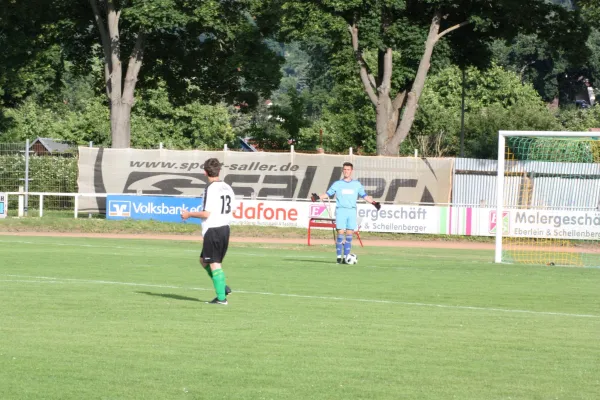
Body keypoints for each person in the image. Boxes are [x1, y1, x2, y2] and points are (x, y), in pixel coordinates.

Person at [181, 158, 235, 305]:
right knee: (204, 260)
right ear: (219, 171)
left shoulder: (211, 189)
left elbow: (206, 213)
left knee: (214, 263)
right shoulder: (227, 187)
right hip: (225, 228)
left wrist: (189, 214)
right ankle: (222, 287)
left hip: (214, 229)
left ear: (205, 172)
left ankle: (221, 298)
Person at [311, 162, 380, 264]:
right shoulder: (338, 184)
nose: (346, 171)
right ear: (343, 171)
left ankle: (346, 257)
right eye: (344, 169)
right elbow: (328, 193)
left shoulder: (356, 184)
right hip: (341, 210)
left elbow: (364, 195)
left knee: (349, 234)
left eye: (348, 169)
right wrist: (317, 197)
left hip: (351, 211)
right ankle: (339, 258)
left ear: (351, 171)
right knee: (340, 233)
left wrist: (374, 203)